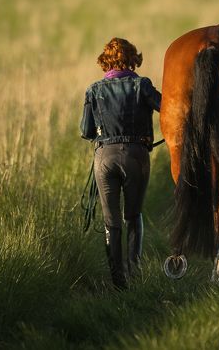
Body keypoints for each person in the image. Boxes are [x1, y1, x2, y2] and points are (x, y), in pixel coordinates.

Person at [80, 37, 161, 289]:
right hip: (136, 156)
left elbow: (86, 131)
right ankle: (135, 273)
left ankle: (118, 282)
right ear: (132, 59)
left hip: (104, 158)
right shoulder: (142, 85)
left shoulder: (93, 90)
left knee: (111, 221)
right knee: (133, 215)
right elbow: (167, 107)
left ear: (106, 62)